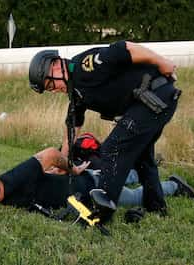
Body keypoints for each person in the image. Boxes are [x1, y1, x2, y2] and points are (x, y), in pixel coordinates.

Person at [28, 41, 181, 222]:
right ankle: (156, 208)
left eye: (51, 86)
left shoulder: (85, 66)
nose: (54, 91)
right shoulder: (76, 91)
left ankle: (101, 214)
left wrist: (162, 62)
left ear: (55, 67)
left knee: (112, 148)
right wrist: (64, 164)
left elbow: (126, 48)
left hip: (157, 95)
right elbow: (72, 128)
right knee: (142, 158)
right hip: (149, 104)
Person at [0, 147, 194, 213]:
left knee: (133, 197)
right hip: (86, 182)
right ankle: (145, 168)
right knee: (124, 177)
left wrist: (72, 170)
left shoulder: (14, 177)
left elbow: (51, 154)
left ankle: (175, 185)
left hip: (89, 187)